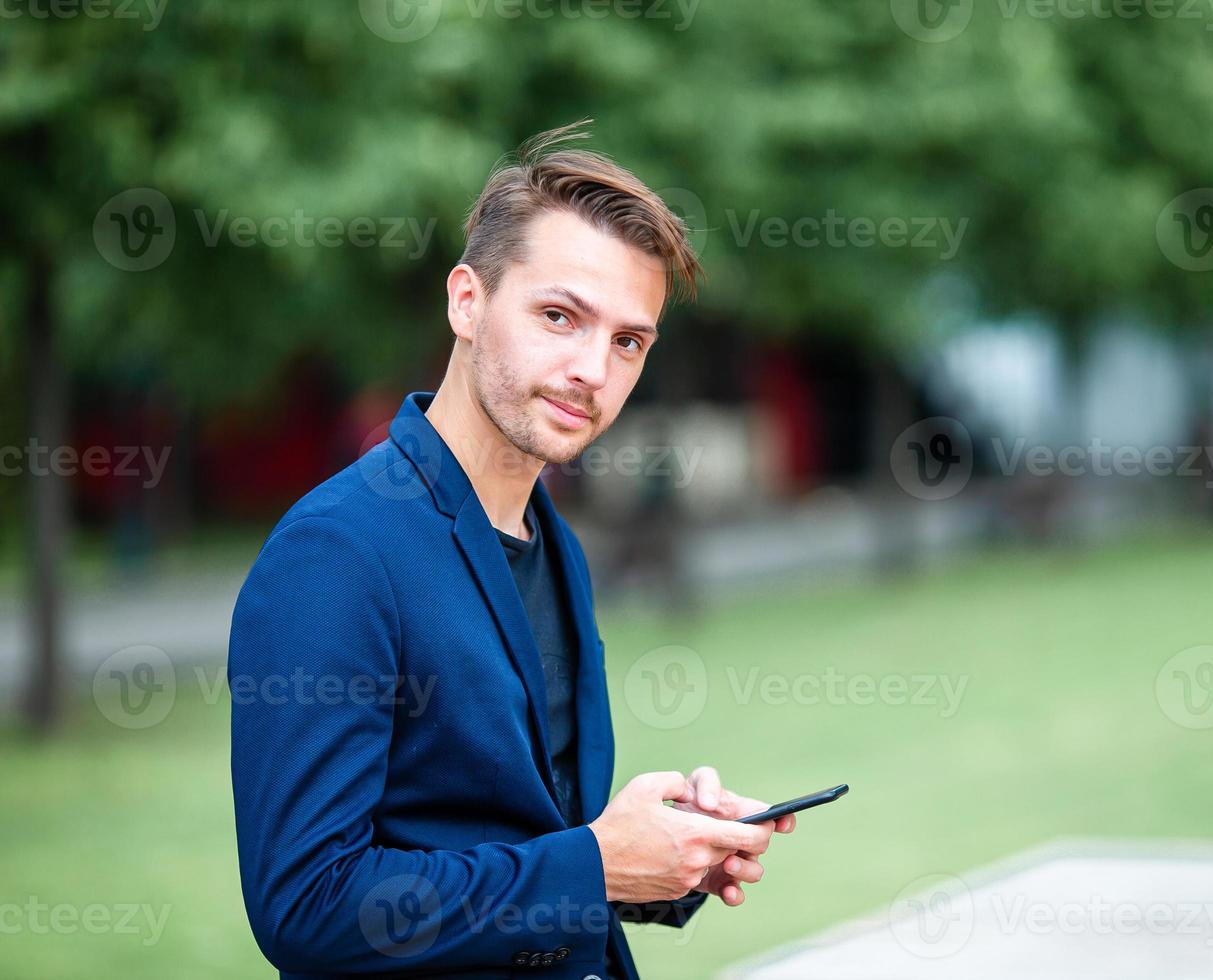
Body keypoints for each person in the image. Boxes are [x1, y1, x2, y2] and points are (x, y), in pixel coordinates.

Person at [228, 121, 795, 980]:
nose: (592, 370)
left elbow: (508, 835)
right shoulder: (336, 553)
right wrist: (596, 864)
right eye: (560, 316)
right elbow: (306, 904)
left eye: (627, 341)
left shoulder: (550, 539)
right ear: (466, 301)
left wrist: (663, 860)